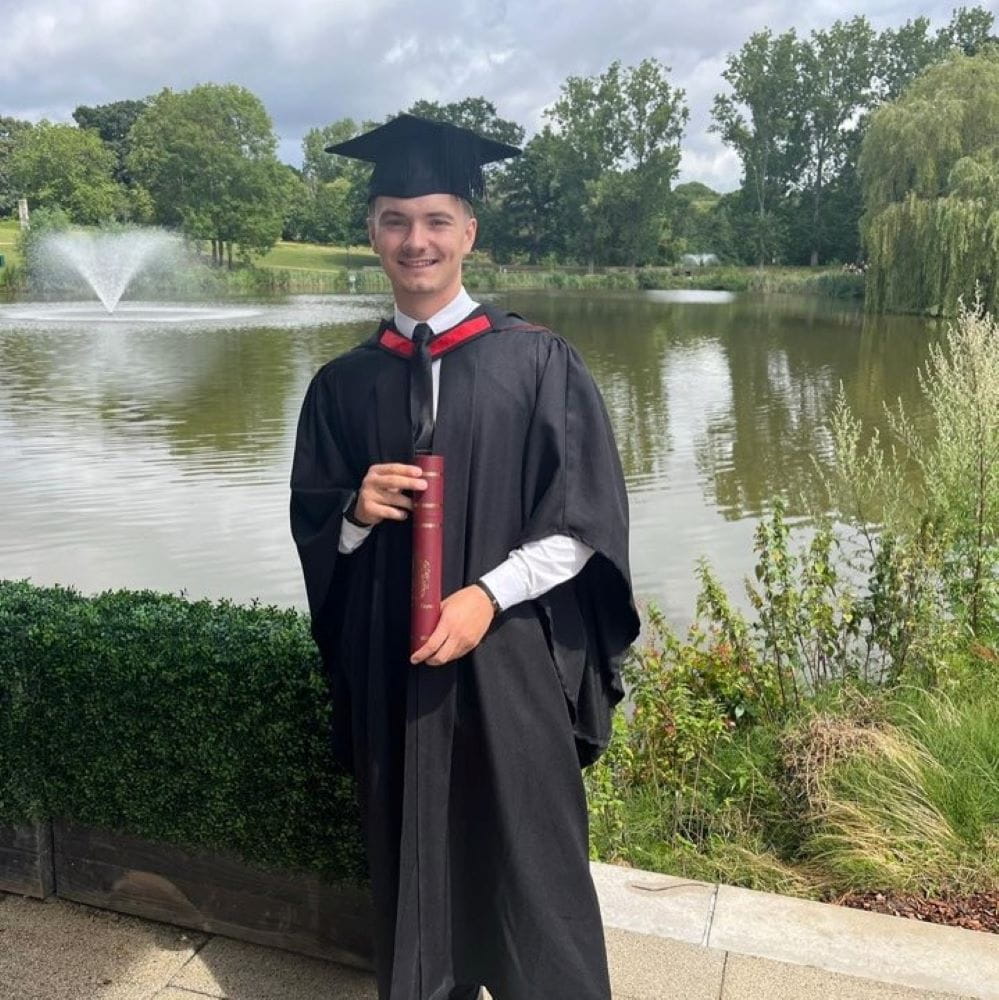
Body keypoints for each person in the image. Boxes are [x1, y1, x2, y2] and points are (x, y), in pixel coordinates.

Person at [290, 114, 639, 1000]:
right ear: (371, 233)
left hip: (507, 655)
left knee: (533, 865)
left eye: (436, 220)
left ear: (468, 233)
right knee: (411, 864)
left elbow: (583, 518)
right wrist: (355, 513)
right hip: (393, 666)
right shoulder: (342, 384)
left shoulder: (537, 363)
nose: (417, 241)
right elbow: (312, 524)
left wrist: (484, 597)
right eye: (396, 219)